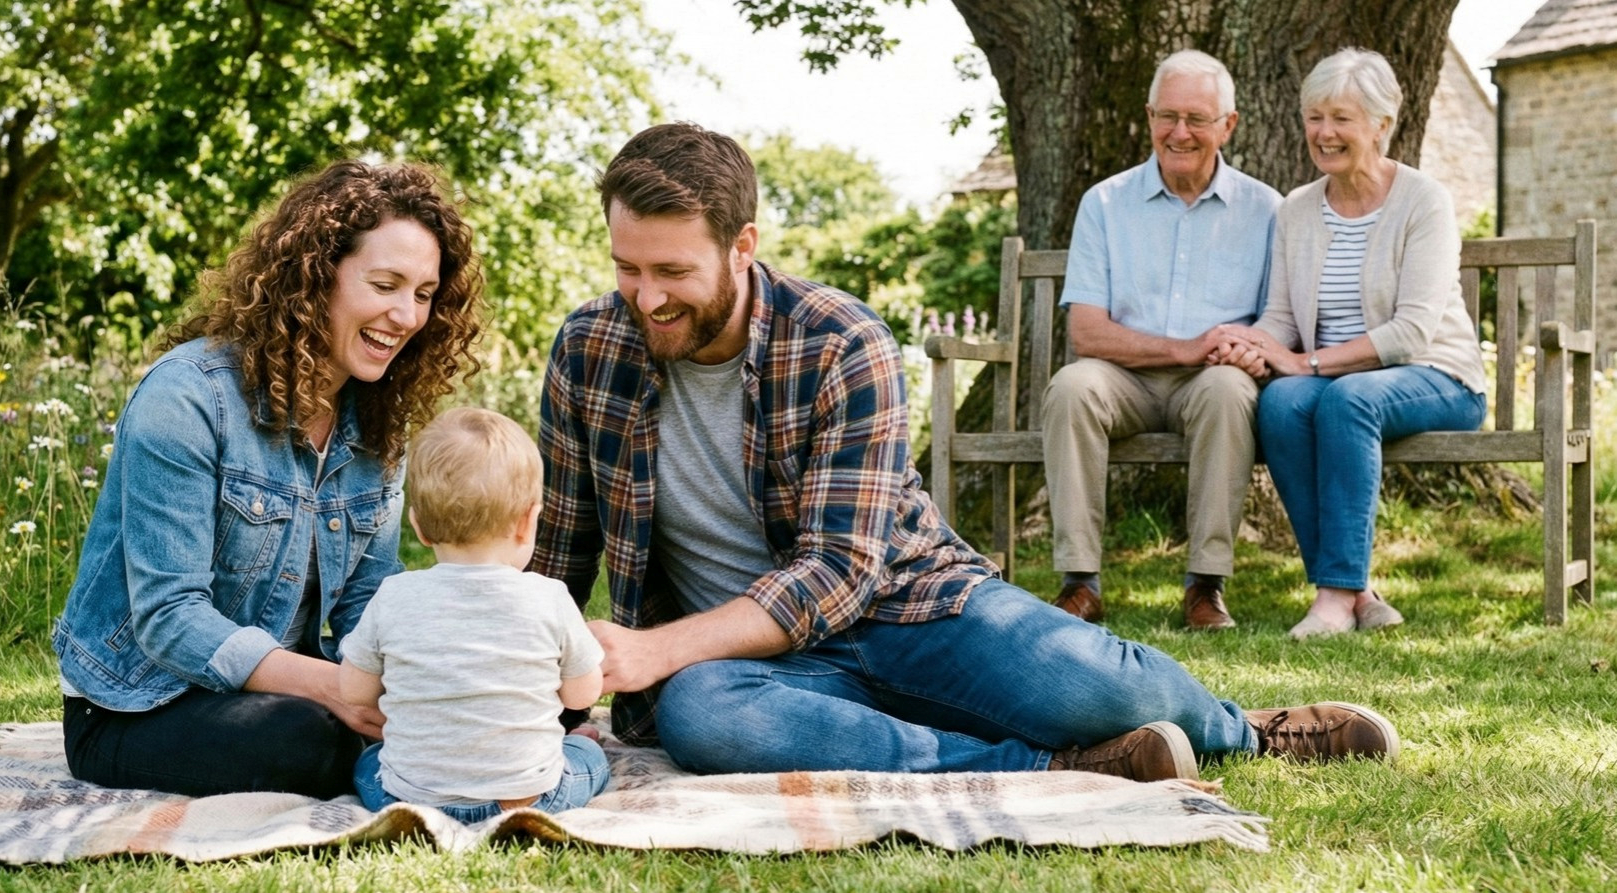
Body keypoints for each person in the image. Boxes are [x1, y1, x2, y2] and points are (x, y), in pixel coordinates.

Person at [530, 121, 1400, 784]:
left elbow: (838, 571)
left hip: (911, 610)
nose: (646, 297)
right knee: (703, 717)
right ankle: (1052, 768)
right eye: (627, 268)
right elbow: (559, 556)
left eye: (672, 272)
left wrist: (656, 648)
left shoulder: (840, 342)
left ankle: (1243, 730)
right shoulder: (588, 350)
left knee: (1101, 688)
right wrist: (530, 702)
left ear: (742, 246)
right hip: (745, 667)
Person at [53, 160, 485, 797]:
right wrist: (338, 688)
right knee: (308, 740)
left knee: (460, 704)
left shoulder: (375, 425)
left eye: (423, 295)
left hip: (286, 691)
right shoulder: (188, 397)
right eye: (385, 285)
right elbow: (170, 617)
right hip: (137, 703)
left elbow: (367, 604)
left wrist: (432, 687)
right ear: (316, 276)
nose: (405, 315)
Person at [1209, 48, 1487, 639]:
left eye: (1341, 118)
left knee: (1346, 398)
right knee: (1281, 402)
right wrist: (1251, 345)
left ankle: (1334, 596)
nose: (1324, 132)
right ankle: (1355, 592)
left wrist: (1304, 362)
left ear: (1381, 125)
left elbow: (1412, 332)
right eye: (1315, 117)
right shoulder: (1297, 210)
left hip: (1436, 376)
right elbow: (1281, 317)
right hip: (1336, 382)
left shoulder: (1423, 201)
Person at [1043, 50, 1282, 630]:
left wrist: (1253, 349)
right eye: (1167, 116)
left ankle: (1205, 585)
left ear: (1228, 125)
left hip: (1212, 380)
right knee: (1071, 387)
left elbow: (1279, 320)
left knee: (1228, 390)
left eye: (1197, 118)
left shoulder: (1267, 209)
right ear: (1149, 116)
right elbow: (1086, 331)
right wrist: (1183, 347)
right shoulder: (1104, 202)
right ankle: (1080, 583)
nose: (1180, 132)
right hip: (1121, 378)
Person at [340, 407, 608, 821]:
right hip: (530, 799)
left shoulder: (393, 596)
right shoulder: (549, 597)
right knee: (588, 755)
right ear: (528, 522)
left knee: (369, 762)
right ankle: (574, 750)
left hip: (408, 801)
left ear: (418, 525)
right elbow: (583, 694)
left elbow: (354, 692)